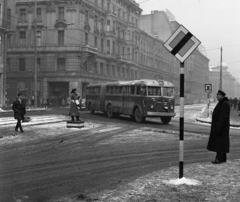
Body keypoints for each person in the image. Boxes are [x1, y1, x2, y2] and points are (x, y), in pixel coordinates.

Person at [207, 90, 230, 164]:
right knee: (221, 143)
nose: (216, 96)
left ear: (222, 96)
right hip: (220, 127)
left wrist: (218, 127)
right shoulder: (222, 103)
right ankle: (223, 158)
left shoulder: (224, 104)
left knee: (219, 143)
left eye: (218, 95)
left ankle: (219, 158)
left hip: (221, 128)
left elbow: (223, 117)